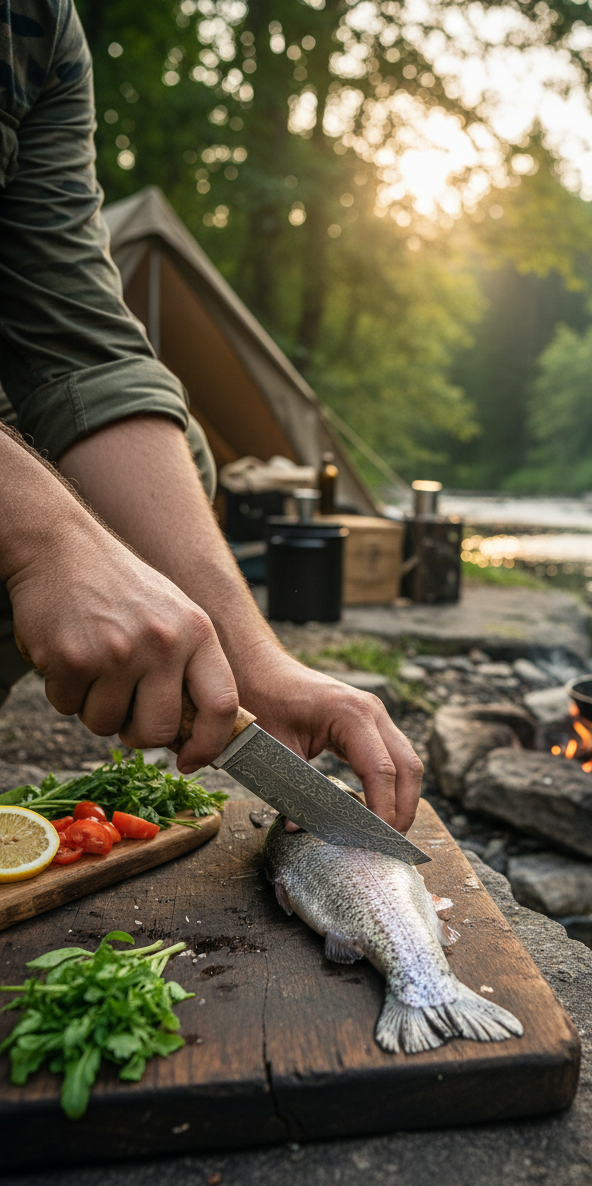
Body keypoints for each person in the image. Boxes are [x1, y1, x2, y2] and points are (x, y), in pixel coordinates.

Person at [0, 1, 422, 832]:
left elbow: (79, 354)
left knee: (172, 462)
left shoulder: (37, 25)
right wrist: (42, 539)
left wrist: (250, 660)